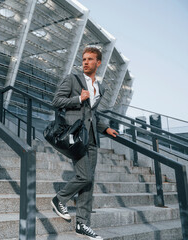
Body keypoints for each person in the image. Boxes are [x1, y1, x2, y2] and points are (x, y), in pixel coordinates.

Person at [50, 47, 118, 239]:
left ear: (98, 63)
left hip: (92, 139)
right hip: (76, 136)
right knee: (85, 176)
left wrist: (105, 128)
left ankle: (82, 224)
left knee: (89, 182)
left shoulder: (100, 87)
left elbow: (92, 114)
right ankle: (59, 198)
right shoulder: (73, 79)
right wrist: (79, 98)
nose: (85, 62)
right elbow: (56, 101)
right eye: (84, 59)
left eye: (90, 59)